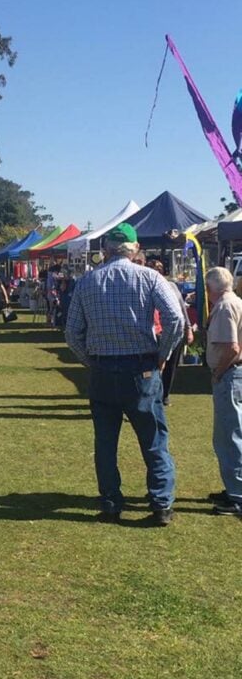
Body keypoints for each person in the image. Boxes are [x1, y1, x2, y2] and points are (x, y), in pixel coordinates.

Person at [65, 223, 184, 526]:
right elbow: (175, 319)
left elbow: (72, 333)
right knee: (153, 439)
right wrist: (162, 355)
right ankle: (161, 504)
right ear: (135, 249)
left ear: (105, 250)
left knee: (105, 442)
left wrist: (90, 361)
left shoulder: (87, 281)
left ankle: (110, 502)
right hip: (141, 368)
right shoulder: (150, 277)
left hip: (103, 369)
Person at [204, 267, 242, 515]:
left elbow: (232, 347)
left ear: (210, 288)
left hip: (229, 374)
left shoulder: (225, 307)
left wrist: (218, 372)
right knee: (231, 433)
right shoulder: (236, 302)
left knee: (230, 435)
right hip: (235, 373)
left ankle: (237, 494)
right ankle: (234, 487)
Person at [146, 259, 194, 405]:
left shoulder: (171, 286)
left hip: (171, 329)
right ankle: (150, 395)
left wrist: (188, 328)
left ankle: (165, 395)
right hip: (154, 331)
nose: (156, 272)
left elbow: (181, 309)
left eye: (159, 269)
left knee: (171, 364)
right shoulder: (144, 285)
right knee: (151, 366)